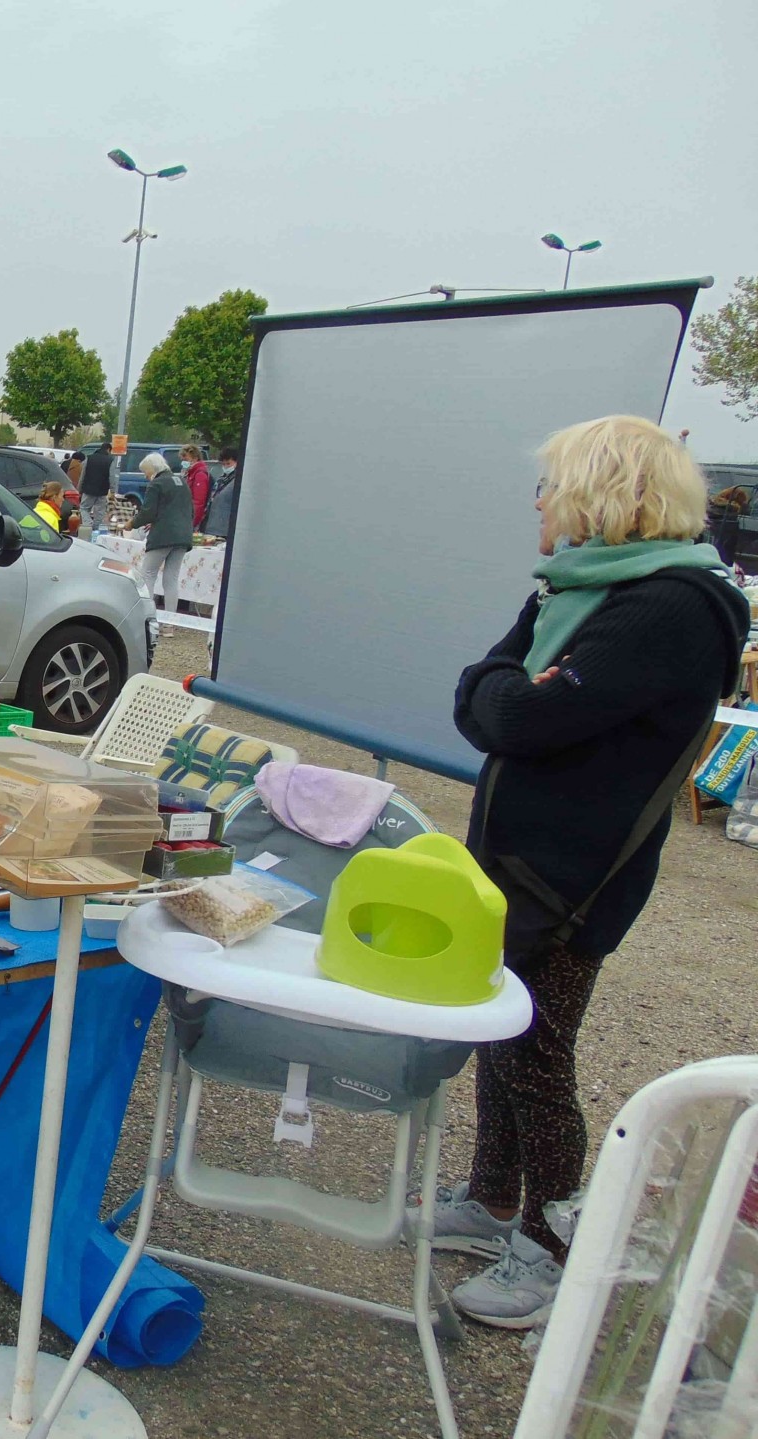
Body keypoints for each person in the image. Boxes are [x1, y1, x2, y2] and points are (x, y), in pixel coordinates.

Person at [432, 416, 747, 1328]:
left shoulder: (671, 606)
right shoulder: (576, 587)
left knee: (537, 1054)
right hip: (518, 858)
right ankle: (492, 1200)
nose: (539, 504)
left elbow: (519, 720)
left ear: (602, 492)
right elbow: (483, 688)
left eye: (550, 486)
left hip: (577, 878)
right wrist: (506, 697)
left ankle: (551, 1244)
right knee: (500, 1029)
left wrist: (506, 700)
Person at [126, 450, 192, 612]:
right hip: (183, 536)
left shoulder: (156, 484)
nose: (145, 476)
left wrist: (132, 524)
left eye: (146, 472)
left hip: (163, 536)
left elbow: (148, 512)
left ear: (153, 469)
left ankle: (147, 617)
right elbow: (188, 510)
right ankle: (170, 622)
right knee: (171, 579)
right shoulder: (181, 481)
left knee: (148, 574)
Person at [81, 437, 118, 531]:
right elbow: (112, 476)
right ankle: (95, 529)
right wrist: (113, 491)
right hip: (102, 491)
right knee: (100, 512)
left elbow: (83, 474)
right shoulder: (110, 460)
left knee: (84, 508)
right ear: (109, 449)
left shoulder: (89, 458)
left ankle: (88, 524)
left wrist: (79, 488)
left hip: (88, 489)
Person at [208, 449, 240, 538]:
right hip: (214, 526)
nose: (225, 466)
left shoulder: (238, 480)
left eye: (228, 463)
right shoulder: (222, 479)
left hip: (226, 528)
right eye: (223, 464)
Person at [181, 444, 211, 533]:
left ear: (195, 458)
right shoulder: (189, 473)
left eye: (186, 459)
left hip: (193, 519)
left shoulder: (200, 474)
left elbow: (198, 502)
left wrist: (192, 522)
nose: (183, 462)